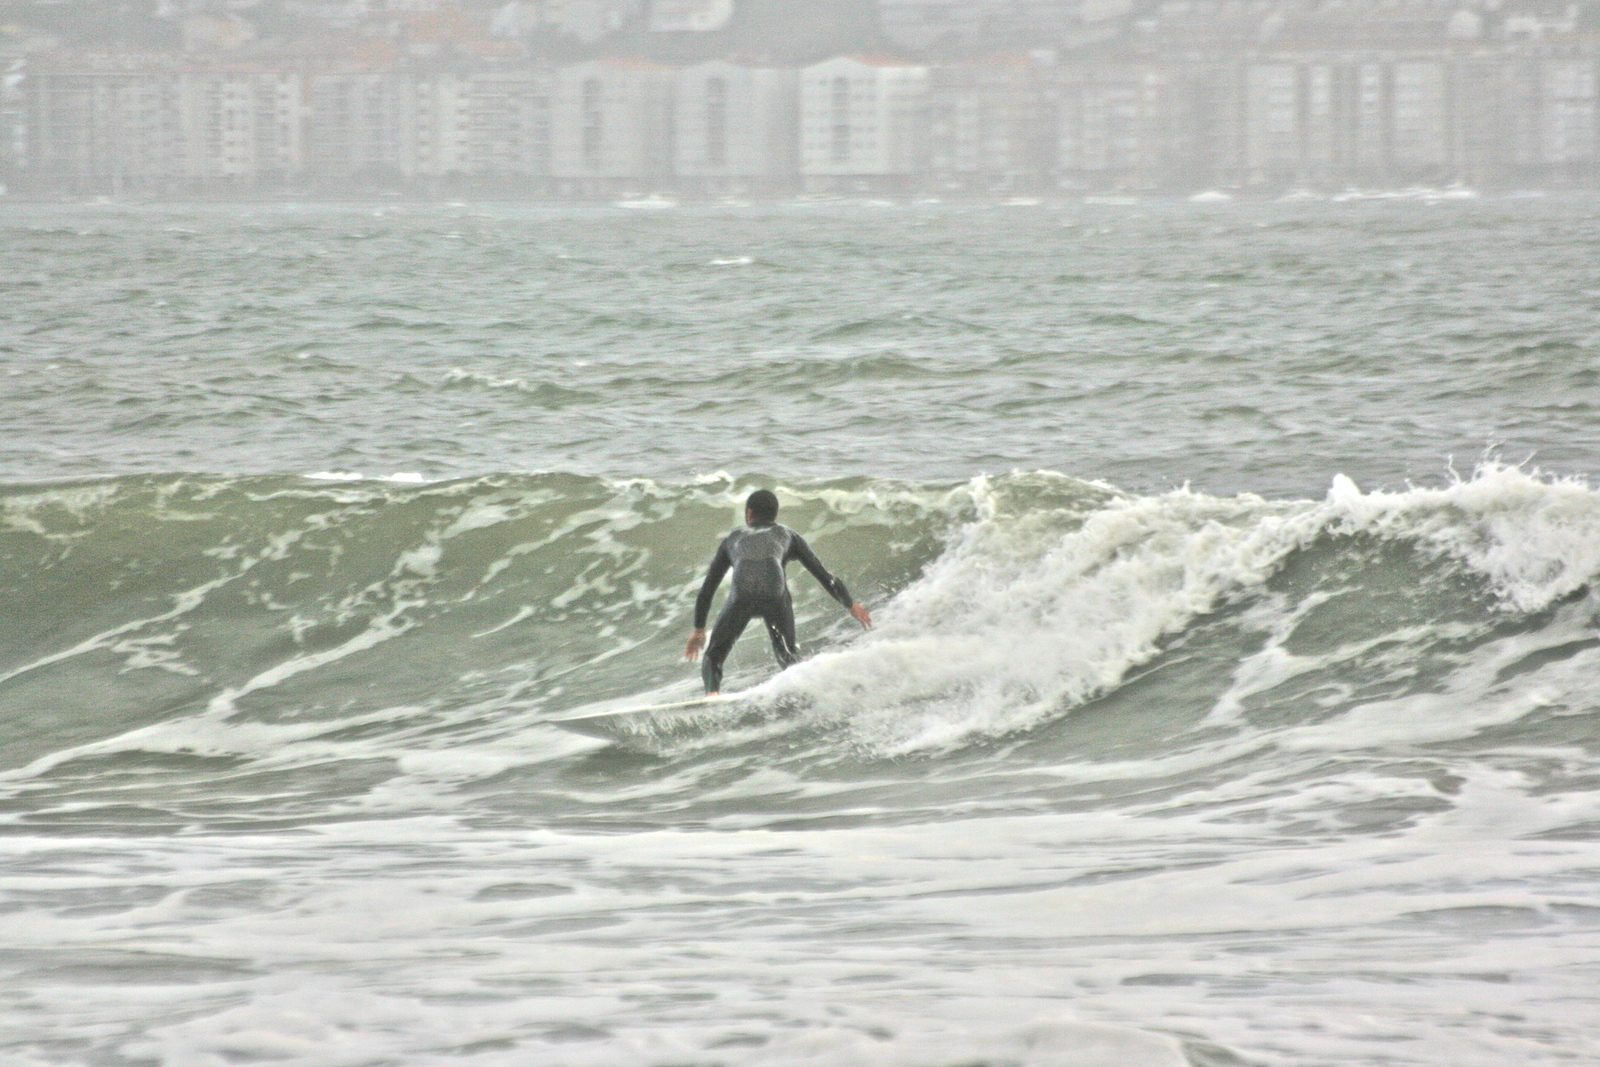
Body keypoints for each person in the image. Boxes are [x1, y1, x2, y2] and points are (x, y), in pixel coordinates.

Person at [684, 489, 872, 695]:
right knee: (788, 655)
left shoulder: (733, 538)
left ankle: (712, 695)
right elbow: (825, 576)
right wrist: (850, 604)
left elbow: (707, 588)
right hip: (774, 595)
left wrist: (699, 629)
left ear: (749, 513)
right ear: (775, 515)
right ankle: (804, 695)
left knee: (713, 656)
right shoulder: (788, 535)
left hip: (742, 595)